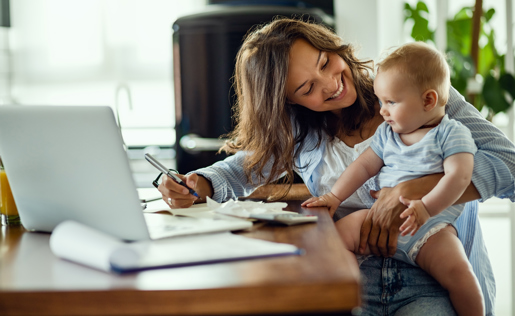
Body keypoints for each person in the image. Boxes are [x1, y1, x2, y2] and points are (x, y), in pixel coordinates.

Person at [158, 18, 515, 315]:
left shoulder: (412, 88)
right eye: (307, 87)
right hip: (353, 272)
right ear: (288, 101)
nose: (331, 84)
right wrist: (196, 184)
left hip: (432, 272)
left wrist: (412, 190)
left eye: (325, 62)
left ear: (331, 45)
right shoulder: (300, 131)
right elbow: (240, 169)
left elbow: (510, 165)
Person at [302, 41, 483, 315]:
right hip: (378, 218)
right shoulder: (388, 134)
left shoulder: (451, 134)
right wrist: (334, 196)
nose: (382, 111)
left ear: (428, 100)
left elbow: (459, 178)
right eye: (380, 101)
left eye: (391, 102)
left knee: (460, 274)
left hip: (430, 229)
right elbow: (363, 167)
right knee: (333, 239)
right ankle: (352, 297)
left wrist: (425, 207)